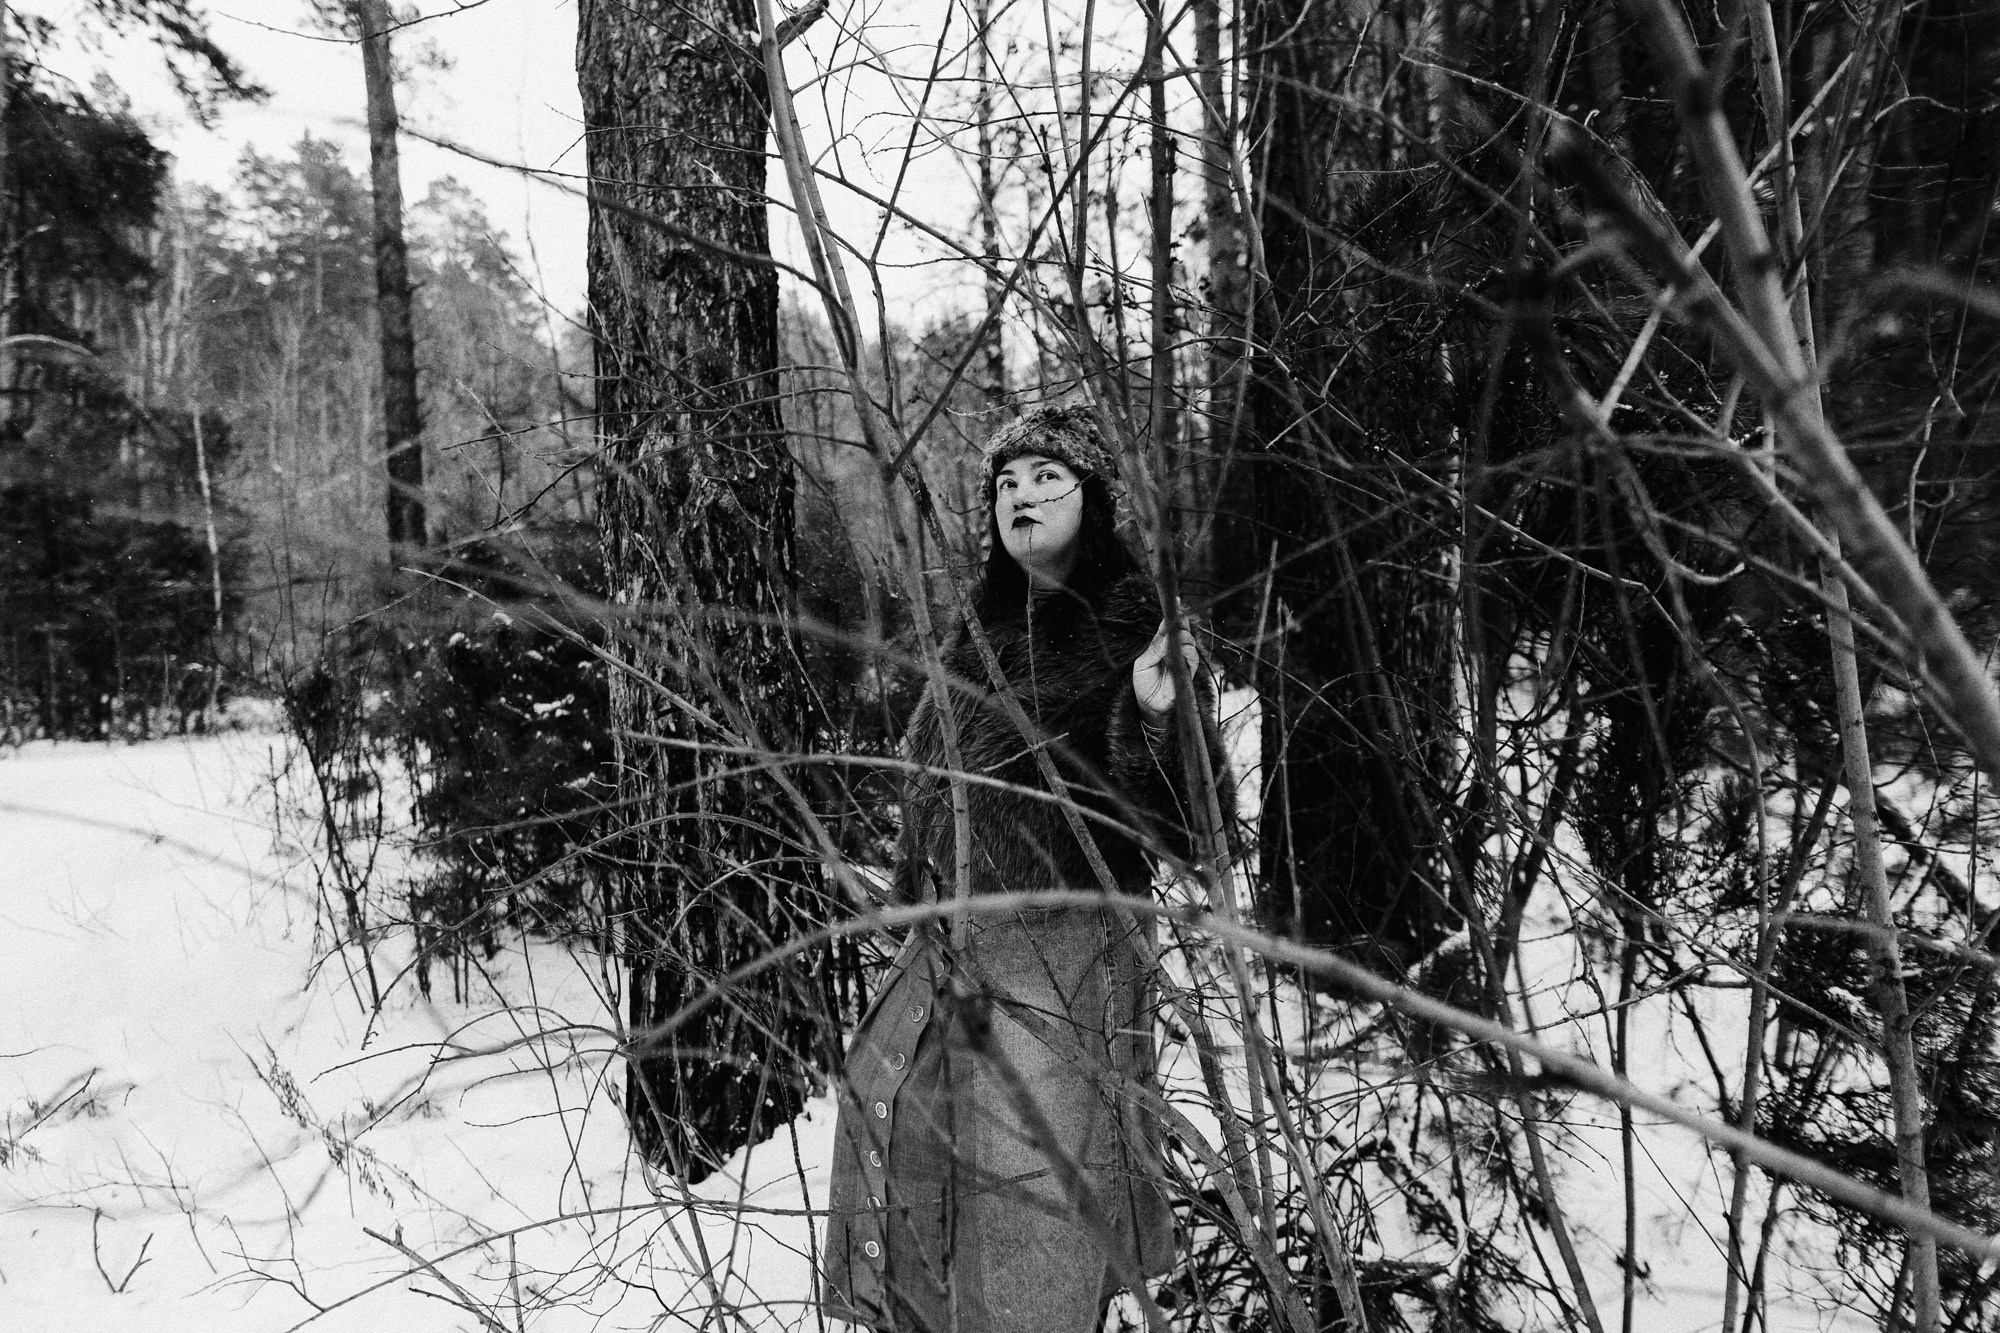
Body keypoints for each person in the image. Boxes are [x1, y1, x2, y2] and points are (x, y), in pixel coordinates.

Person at [821, 405, 1231, 1332]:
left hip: (1061, 955)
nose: (1022, 496)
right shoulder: (980, 624)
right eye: (1006, 482)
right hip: (952, 946)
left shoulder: (1134, 626)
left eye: (1047, 477)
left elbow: (1190, 828)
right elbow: (936, 784)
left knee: (1026, 1210)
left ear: (1095, 498)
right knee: (905, 1141)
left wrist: (1159, 714)